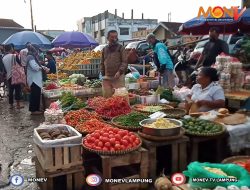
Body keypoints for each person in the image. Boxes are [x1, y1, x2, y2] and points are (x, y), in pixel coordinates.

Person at [100, 30, 127, 98]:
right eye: (112, 37)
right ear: (108, 38)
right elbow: (102, 62)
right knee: (107, 98)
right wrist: (102, 74)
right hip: (107, 77)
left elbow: (124, 62)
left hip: (118, 77)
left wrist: (120, 71)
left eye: (116, 37)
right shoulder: (104, 49)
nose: (114, 39)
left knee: (120, 98)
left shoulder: (121, 48)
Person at [26, 45, 49, 115]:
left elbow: (37, 65)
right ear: (34, 50)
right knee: (34, 95)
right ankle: (33, 110)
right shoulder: (30, 57)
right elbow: (35, 67)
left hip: (36, 79)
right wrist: (42, 68)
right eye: (37, 50)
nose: (38, 52)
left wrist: (43, 67)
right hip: (34, 79)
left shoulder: (32, 57)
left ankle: (37, 108)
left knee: (37, 94)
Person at [2, 44, 24, 109]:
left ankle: (11, 105)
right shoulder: (14, 56)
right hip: (15, 75)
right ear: (11, 49)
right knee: (17, 89)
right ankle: (18, 104)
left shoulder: (3, 57)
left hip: (8, 76)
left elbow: (3, 68)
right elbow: (20, 64)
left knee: (10, 90)